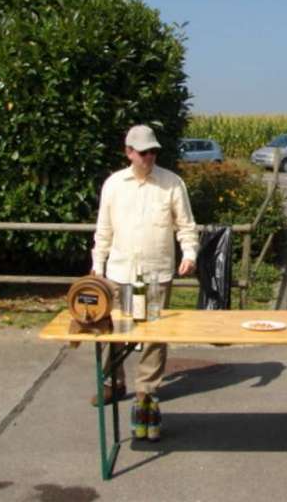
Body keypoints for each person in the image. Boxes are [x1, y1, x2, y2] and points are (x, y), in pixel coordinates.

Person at [90, 124, 198, 441]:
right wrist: (98, 266)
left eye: (153, 151)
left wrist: (189, 252)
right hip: (119, 272)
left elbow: (185, 224)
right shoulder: (113, 185)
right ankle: (112, 382)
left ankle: (146, 392)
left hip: (155, 274)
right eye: (143, 152)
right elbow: (104, 229)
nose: (149, 157)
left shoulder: (172, 183)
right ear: (128, 152)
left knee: (153, 335)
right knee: (111, 332)